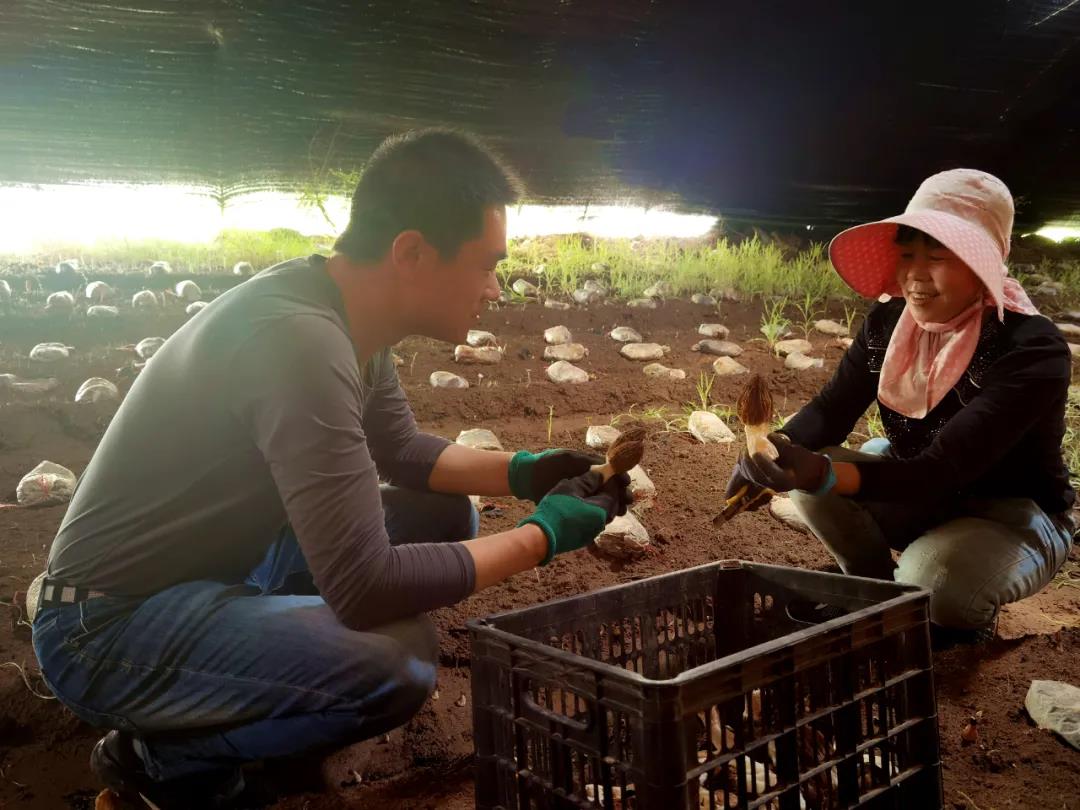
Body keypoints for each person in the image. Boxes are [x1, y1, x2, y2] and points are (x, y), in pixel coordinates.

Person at [31, 129, 631, 809]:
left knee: (446, 515)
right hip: (106, 628)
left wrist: (527, 472)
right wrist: (544, 536)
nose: (496, 288)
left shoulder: (339, 311)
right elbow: (365, 585)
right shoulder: (300, 342)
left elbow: (401, 449)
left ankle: (253, 700)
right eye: (487, 264)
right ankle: (161, 760)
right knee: (396, 664)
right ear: (412, 253)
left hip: (216, 568)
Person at [726, 168, 1074, 640]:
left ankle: (950, 610)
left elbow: (941, 470)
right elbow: (831, 410)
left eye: (938, 256)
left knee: (936, 585)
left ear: (984, 262)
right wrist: (771, 449)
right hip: (920, 493)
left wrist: (818, 473)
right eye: (906, 254)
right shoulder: (891, 324)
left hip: (1012, 514)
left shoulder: (1030, 348)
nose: (915, 275)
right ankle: (870, 589)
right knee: (817, 461)